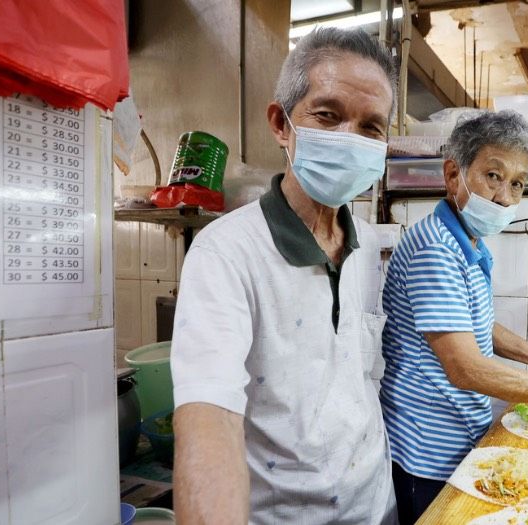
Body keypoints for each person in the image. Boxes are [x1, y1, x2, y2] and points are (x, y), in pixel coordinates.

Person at [170, 28, 397, 524]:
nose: (349, 140)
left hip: (375, 506)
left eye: (371, 127)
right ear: (281, 124)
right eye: (328, 115)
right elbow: (209, 416)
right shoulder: (225, 253)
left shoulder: (368, 245)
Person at [379, 111, 528, 523]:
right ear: (453, 175)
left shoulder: (466, 242)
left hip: (459, 436)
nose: (505, 198)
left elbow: (476, 325)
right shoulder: (435, 248)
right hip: (426, 451)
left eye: (517, 183)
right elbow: (464, 367)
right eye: (493, 176)